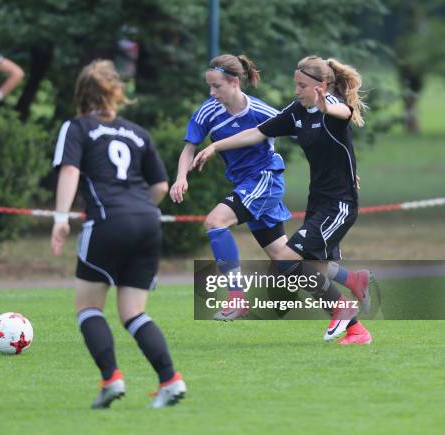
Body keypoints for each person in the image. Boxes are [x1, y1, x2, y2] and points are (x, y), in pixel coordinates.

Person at [193, 55, 373, 345]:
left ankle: (343, 307)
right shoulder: (297, 112)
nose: (296, 90)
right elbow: (256, 132)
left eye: (302, 85)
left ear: (321, 85)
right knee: (302, 265)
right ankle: (356, 320)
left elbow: (343, 112)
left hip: (339, 205)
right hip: (319, 202)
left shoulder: (334, 107)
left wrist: (325, 103)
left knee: (286, 263)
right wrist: (215, 146)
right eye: (296, 84)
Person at [50, 59, 186, 409]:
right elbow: (160, 185)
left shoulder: (77, 127)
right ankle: (170, 381)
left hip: (109, 221)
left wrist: (61, 217)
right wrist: (139, 207)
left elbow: (69, 170)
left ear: (82, 93)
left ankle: (111, 379)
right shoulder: (137, 132)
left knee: (88, 307)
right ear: (117, 92)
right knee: (134, 313)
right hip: (147, 220)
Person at [170, 54, 291, 321]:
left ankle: (237, 298)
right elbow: (189, 148)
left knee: (215, 222)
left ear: (235, 82)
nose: (212, 93)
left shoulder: (263, 112)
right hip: (246, 185)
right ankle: (352, 280)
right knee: (283, 255)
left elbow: (308, 134)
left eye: (217, 86)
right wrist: (181, 178)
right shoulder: (207, 111)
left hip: (265, 179)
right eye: (209, 87)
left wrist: (342, 172)